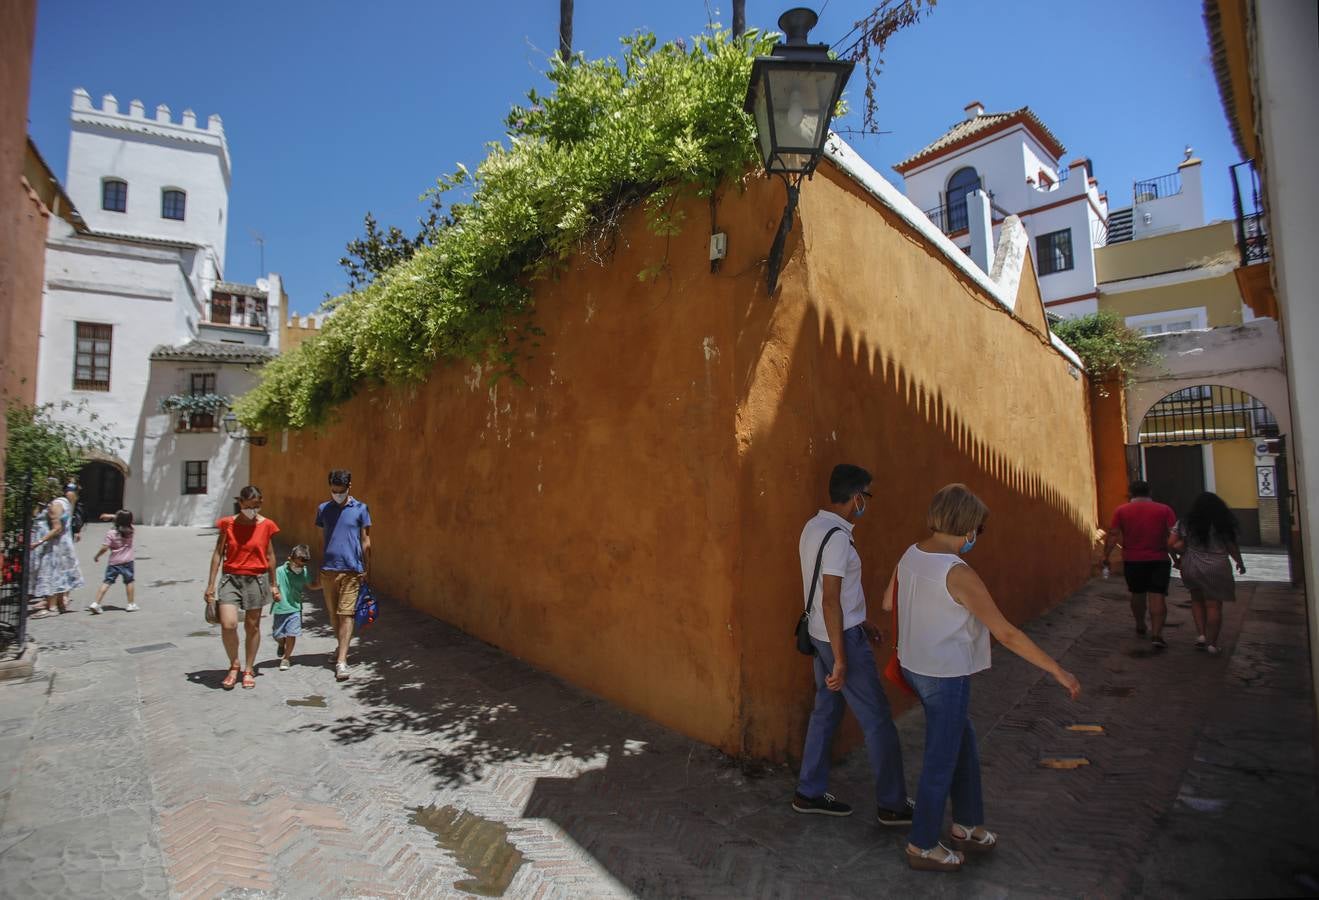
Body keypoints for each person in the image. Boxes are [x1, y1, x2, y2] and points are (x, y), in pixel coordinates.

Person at [887, 483, 1081, 872]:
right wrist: (1056, 668)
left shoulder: (910, 554)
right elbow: (1006, 633)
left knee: (963, 743)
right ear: (969, 528)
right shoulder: (958, 573)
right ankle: (921, 844)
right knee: (941, 759)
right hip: (945, 675)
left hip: (916, 666)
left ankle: (967, 823)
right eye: (978, 528)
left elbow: (887, 601)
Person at [792, 464, 912, 827]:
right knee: (877, 719)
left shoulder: (813, 526)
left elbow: (835, 596)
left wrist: (863, 621)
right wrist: (843, 659)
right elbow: (830, 598)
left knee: (826, 712)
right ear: (856, 496)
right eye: (866, 496)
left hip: (821, 634)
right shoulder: (839, 537)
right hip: (838, 640)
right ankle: (892, 804)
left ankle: (809, 791)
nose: (866, 503)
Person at [205, 486, 281, 690]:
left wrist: (274, 584)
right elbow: (217, 554)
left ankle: (248, 668)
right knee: (228, 624)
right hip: (231, 579)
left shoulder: (267, 525)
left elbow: (271, 556)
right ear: (241, 503)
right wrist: (211, 584)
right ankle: (234, 665)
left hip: (257, 580)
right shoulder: (227, 524)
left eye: (256, 506)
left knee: (252, 626)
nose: (252, 510)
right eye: (248, 506)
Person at [1169, 492, 1246, 657]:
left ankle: (1201, 635)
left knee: (1196, 600)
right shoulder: (1222, 523)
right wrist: (1239, 562)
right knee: (1214, 605)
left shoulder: (1185, 522)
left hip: (1191, 564)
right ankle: (1212, 643)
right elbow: (1231, 546)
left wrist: (1175, 559)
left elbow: (1170, 543)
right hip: (1217, 566)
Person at [1102, 480, 1177, 649]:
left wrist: (1105, 555)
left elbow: (1113, 535)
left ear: (1130, 493)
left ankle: (1140, 624)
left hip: (1133, 559)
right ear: (1150, 492)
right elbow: (1172, 537)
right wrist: (1177, 558)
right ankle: (1157, 635)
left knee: (1137, 594)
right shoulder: (1164, 510)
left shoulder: (1121, 510)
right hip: (1159, 559)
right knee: (1157, 596)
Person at [316, 469, 372, 682]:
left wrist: (367, 569)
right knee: (333, 615)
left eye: (340, 491)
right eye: (333, 490)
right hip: (329, 570)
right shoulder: (323, 509)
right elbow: (321, 540)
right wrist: (317, 568)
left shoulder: (361, 509)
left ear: (349, 486)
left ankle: (341, 661)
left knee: (345, 614)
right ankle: (341, 647)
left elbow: (366, 541)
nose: (336, 494)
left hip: (352, 570)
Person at [29, 491, 85, 616]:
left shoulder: (55, 505)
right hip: (63, 544)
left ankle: (52, 607)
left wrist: (39, 541)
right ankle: (59, 603)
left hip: (54, 545)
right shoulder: (64, 502)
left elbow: (57, 528)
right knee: (61, 574)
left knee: (51, 573)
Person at [271, 544, 319, 670]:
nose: (300, 567)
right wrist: (274, 592)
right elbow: (274, 585)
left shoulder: (304, 572)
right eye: (298, 564)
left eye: (302, 565)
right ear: (290, 559)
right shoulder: (279, 571)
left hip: (295, 608)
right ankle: (281, 644)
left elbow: (311, 585)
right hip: (280, 608)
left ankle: (286, 658)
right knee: (277, 635)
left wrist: (323, 584)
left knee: (291, 634)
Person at [90, 509, 137, 613]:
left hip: (114, 562)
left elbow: (104, 548)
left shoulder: (111, 533)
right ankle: (131, 604)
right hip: (128, 561)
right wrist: (113, 516)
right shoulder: (131, 530)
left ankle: (96, 603)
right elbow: (126, 520)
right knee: (129, 582)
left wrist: (97, 556)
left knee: (107, 582)